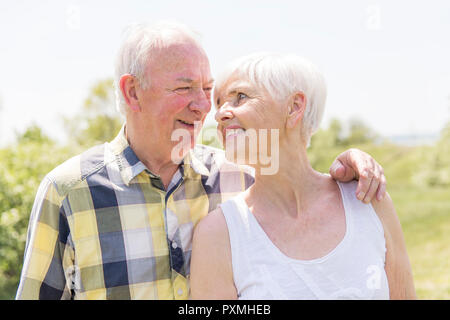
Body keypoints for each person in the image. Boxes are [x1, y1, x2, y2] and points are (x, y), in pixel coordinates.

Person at [16, 22, 387, 300]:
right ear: (133, 92)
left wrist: (352, 164)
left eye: (207, 90)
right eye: (184, 88)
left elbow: (302, 186)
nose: (203, 106)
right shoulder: (69, 192)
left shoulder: (240, 178)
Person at [190, 52, 416, 300]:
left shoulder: (369, 200)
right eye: (219, 103)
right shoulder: (218, 234)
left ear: (294, 107)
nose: (219, 115)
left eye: (240, 97)